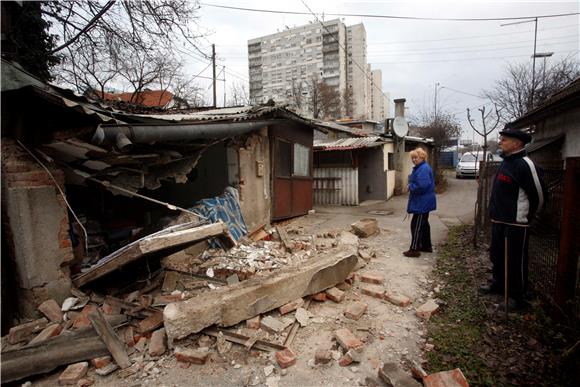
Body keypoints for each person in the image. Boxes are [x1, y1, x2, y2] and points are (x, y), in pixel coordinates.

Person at [480, 128, 546, 310]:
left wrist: (525, 216)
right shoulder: (506, 162)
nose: (500, 142)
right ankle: (499, 284)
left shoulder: (525, 165)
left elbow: (539, 196)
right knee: (498, 256)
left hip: (515, 224)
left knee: (515, 261)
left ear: (517, 143)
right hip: (499, 221)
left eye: (504, 139)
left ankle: (517, 297)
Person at [403, 147, 436, 258]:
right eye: (412, 158)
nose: (414, 160)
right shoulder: (420, 168)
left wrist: (410, 186)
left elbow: (422, 186)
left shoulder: (423, 169)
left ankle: (414, 249)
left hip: (422, 202)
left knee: (416, 225)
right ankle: (426, 246)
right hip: (423, 201)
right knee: (424, 224)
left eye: (416, 157)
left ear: (422, 157)